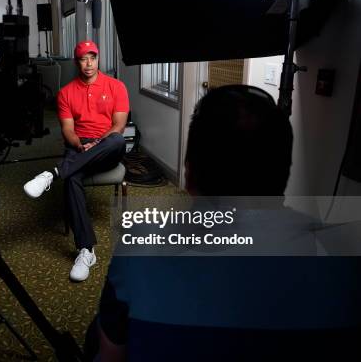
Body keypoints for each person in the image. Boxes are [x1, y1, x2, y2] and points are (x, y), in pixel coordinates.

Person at [93, 85, 361, 361]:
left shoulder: (137, 250)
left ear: (189, 171)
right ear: (284, 173)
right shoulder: (342, 256)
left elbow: (110, 356)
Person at [23, 40, 129, 282]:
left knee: (117, 141)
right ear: (77, 62)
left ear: (98, 58)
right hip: (78, 146)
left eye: (92, 57)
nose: (88, 63)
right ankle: (86, 250)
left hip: (106, 147)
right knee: (72, 178)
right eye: (83, 58)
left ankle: (52, 173)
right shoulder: (66, 93)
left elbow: (119, 126)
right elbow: (68, 131)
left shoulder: (116, 86)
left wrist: (97, 143)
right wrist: (80, 144)